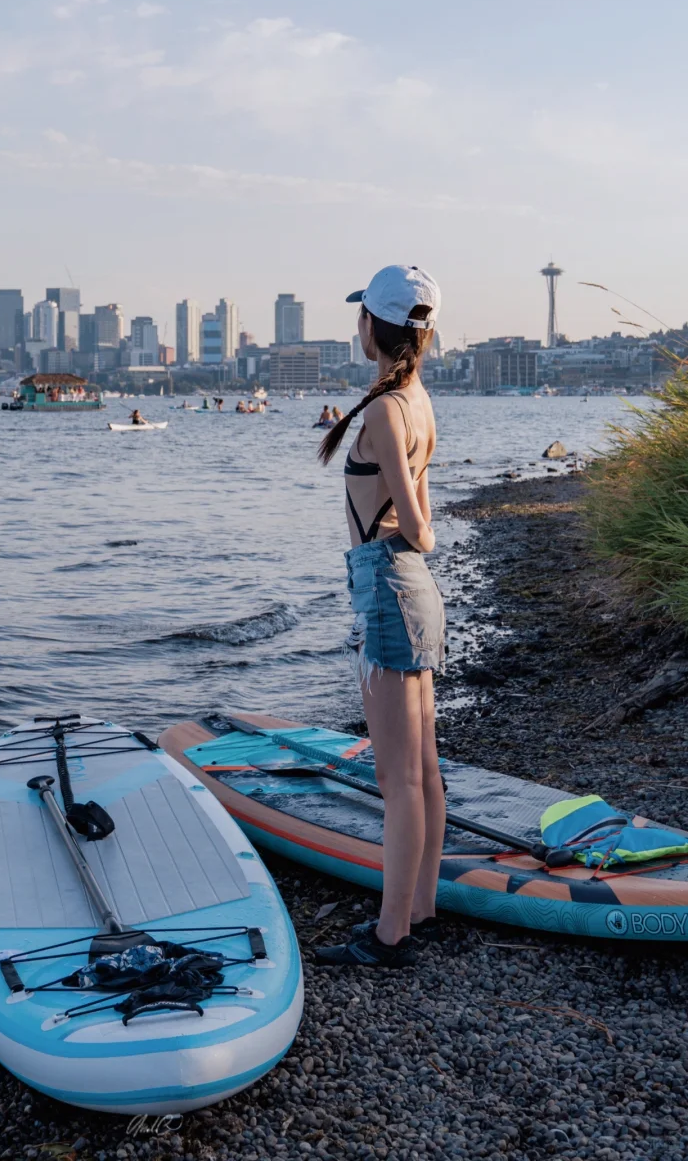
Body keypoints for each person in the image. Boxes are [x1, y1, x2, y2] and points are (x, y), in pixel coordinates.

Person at [313, 265, 445, 971]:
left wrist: (418, 534)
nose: (356, 325)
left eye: (360, 314)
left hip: (389, 584)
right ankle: (420, 909)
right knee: (421, 768)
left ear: (374, 326)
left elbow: (419, 526)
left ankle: (391, 936)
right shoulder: (416, 401)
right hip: (411, 591)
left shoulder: (386, 410)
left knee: (398, 778)